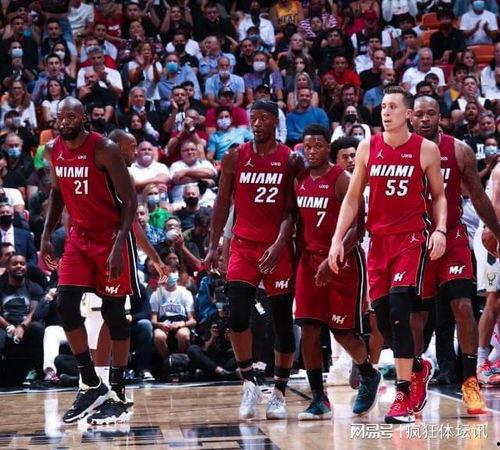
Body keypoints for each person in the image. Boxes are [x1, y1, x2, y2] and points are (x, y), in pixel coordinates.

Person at [328, 86, 447, 424]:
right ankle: (418, 366)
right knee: (381, 321)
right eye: (383, 106)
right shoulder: (368, 147)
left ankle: (403, 394)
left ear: (408, 114)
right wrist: (337, 239)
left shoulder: (426, 149)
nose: (386, 111)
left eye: (393, 106)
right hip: (377, 243)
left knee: (398, 308)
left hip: (410, 240)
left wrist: (439, 229)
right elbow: (353, 198)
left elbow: (439, 196)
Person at [40, 97, 138, 425]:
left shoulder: (104, 149)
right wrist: (46, 234)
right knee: (65, 305)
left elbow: (130, 201)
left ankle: (119, 392)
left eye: (71, 116)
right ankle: (91, 382)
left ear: (83, 118)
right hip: (78, 238)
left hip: (110, 237)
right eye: (61, 116)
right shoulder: (53, 150)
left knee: (114, 313)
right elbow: (57, 194)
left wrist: (119, 244)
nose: (65, 121)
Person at [205, 100, 303, 420]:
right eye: (253, 118)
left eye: (263, 118)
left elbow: (291, 211)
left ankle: (279, 392)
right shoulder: (235, 156)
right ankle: (249, 382)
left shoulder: (290, 159)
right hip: (243, 247)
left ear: (275, 122)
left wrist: (279, 244)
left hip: (277, 249)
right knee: (236, 317)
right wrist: (214, 246)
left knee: (282, 324)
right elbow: (222, 203)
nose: (257, 123)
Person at [411, 96, 499, 413]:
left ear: (441, 118)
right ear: (410, 118)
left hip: (453, 239)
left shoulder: (459, 151)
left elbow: (478, 196)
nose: (425, 119)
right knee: (417, 316)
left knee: (463, 305)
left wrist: (498, 232)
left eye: (431, 113)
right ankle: (416, 375)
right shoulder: (400, 152)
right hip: (415, 242)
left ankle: (470, 381)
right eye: (419, 114)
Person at [294, 124, 380, 420]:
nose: (312, 151)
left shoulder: (342, 179)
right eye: (308, 146)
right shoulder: (300, 179)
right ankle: (319, 399)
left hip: (342, 263)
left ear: (327, 148)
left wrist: (334, 254)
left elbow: (358, 228)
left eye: (318, 146)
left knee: (342, 331)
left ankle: (368, 374)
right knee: (308, 328)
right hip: (308, 262)